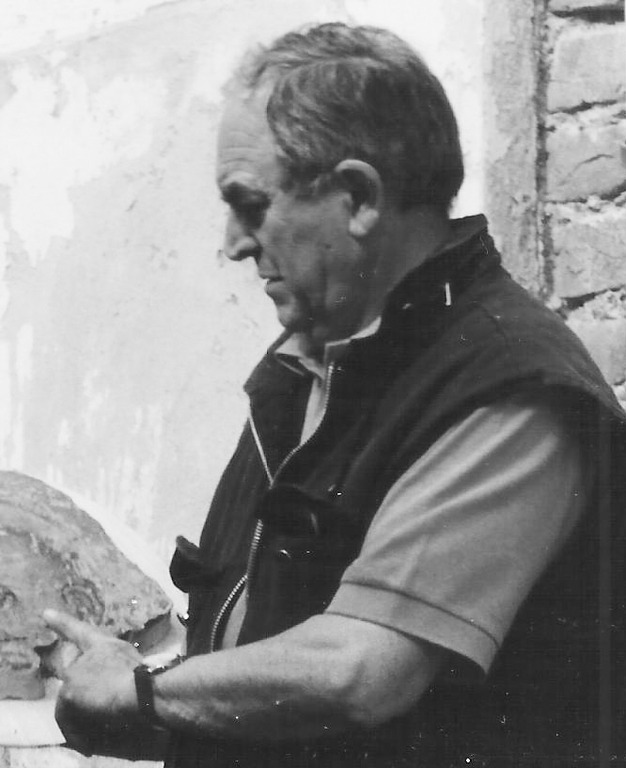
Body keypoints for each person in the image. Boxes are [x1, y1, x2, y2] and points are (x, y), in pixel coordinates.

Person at [44, 21, 626, 767]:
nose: (232, 244)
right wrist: (142, 699)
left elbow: (359, 671)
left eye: (251, 205)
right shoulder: (307, 371)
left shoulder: (508, 388)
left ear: (358, 197)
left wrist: (141, 692)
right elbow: (269, 661)